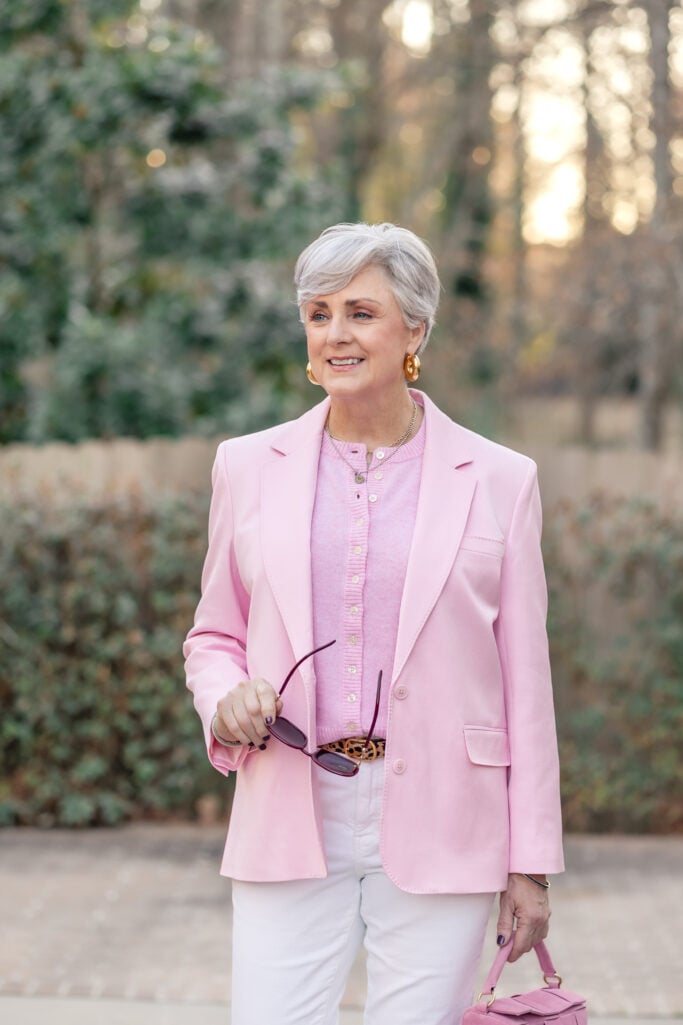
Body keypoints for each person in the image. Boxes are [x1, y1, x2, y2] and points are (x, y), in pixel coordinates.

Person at [184, 222, 564, 1025]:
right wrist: (223, 697)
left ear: (414, 328)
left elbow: (524, 682)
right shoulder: (246, 466)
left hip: (447, 819)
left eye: (360, 311)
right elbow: (214, 634)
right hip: (291, 807)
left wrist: (529, 862)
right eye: (317, 313)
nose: (334, 334)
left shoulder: (501, 479)